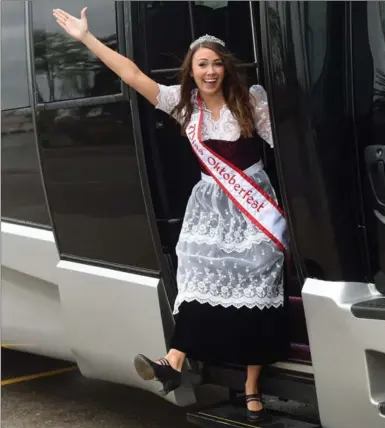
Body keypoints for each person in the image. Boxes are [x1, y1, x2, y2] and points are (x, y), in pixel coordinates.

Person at [53, 7, 289, 423]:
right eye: (203, 65)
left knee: (259, 280)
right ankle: (173, 362)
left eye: (217, 63)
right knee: (198, 275)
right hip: (209, 208)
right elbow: (133, 76)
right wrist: (87, 39)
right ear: (192, 70)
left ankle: (252, 387)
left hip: (253, 206)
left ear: (225, 67)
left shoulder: (251, 101)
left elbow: (288, 142)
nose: (211, 71)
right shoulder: (185, 107)